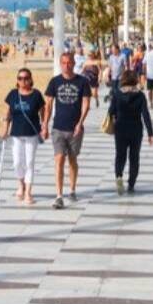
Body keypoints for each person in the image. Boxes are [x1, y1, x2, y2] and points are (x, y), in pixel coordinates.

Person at [42, 52, 91, 209]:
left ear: (73, 63)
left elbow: (86, 104)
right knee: (59, 159)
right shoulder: (54, 82)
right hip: (58, 127)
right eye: (63, 62)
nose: (66, 65)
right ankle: (59, 195)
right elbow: (48, 105)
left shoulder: (82, 82)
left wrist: (80, 123)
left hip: (75, 128)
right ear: (60, 63)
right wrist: (45, 124)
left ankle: (72, 189)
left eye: (69, 62)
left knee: (72, 160)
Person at [2, 68, 45, 205]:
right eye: (20, 78)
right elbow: (7, 114)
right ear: (17, 80)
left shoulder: (36, 95)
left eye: (26, 78)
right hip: (16, 133)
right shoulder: (13, 94)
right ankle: (21, 184)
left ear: (31, 79)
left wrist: (44, 127)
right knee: (17, 162)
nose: (23, 81)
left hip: (32, 134)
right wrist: (4, 130)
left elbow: (43, 112)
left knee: (29, 163)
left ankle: (28, 192)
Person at [108, 70, 153, 195]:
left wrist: (114, 117)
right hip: (136, 130)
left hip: (121, 128)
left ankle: (118, 176)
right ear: (135, 80)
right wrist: (150, 133)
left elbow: (111, 111)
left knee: (120, 155)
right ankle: (131, 184)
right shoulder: (140, 95)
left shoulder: (117, 94)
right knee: (134, 157)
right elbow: (145, 115)